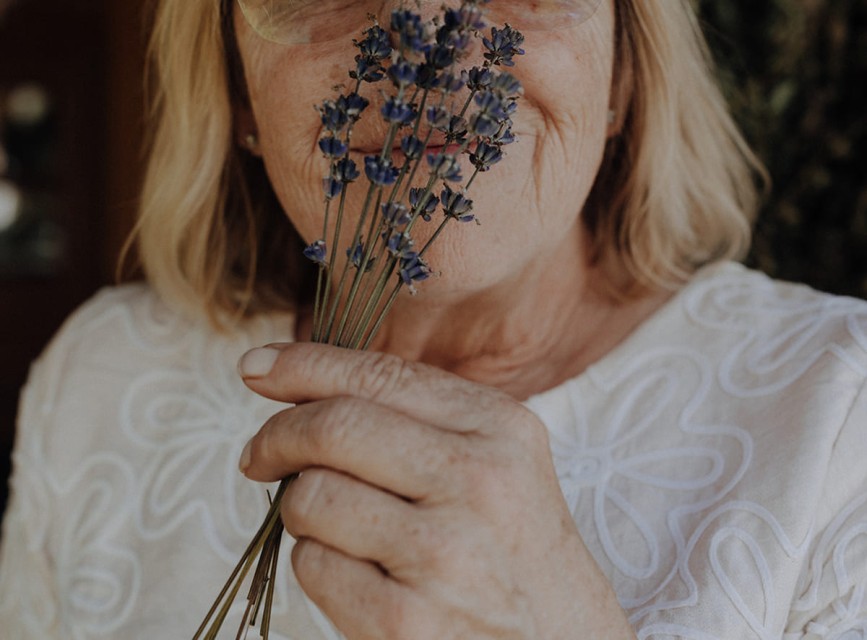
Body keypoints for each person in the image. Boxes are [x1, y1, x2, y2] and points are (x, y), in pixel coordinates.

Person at [1, 0, 866, 637]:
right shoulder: (103, 374)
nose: (429, 47)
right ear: (235, 92)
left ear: (622, 76)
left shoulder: (837, 419)